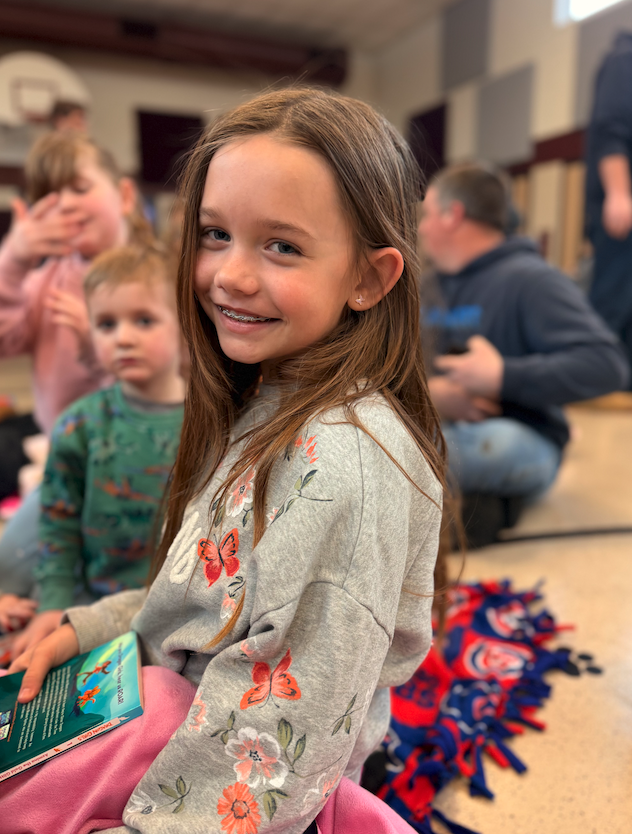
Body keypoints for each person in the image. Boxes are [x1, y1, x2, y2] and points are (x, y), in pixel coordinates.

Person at [2, 88, 445, 834]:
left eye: (282, 246)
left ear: (369, 278)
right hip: (171, 710)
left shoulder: (344, 470)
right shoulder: (268, 394)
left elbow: (278, 736)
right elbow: (202, 599)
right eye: (215, 234)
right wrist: (93, 626)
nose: (230, 275)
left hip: (226, 775)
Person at [419, 162, 629, 546]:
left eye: (428, 214)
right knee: (396, 441)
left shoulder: (532, 280)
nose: (421, 227)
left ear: (454, 215)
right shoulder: (424, 286)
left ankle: (431, 511)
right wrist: (433, 395)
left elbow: (608, 365)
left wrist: (503, 377)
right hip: (439, 426)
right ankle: (473, 510)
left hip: (518, 437)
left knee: (466, 449)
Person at [0, 131, 154, 615]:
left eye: (79, 187)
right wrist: (15, 258)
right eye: (50, 195)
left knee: (107, 594)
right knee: (13, 575)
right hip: (68, 469)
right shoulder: (47, 278)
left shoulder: (157, 277)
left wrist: (101, 350)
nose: (64, 204)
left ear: (125, 195)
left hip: (141, 473)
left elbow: (179, 385)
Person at [5, 245, 185, 658]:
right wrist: (52, 605)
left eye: (143, 320)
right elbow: (57, 524)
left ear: (184, 325)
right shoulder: (79, 426)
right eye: (106, 324)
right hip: (88, 605)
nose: (123, 337)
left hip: (173, 612)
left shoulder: (210, 425)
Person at [585, 31, 632, 381]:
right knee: (614, 306)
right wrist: (619, 193)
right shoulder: (624, 59)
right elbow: (610, 132)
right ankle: (600, 386)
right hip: (624, 215)